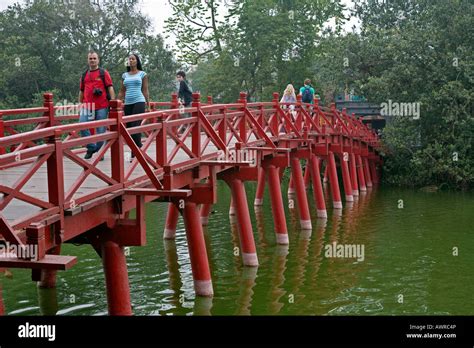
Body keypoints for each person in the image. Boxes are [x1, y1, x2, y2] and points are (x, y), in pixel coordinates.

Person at [79, 51, 115, 160]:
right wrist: (79, 103)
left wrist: (113, 102)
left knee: (101, 131)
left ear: (98, 60)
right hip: (87, 105)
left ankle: (100, 153)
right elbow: (81, 90)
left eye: (94, 58)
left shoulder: (103, 73)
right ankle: (92, 147)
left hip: (102, 106)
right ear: (88, 60)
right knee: (82, 124)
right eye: (90, 58)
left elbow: (110, 87)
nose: (92, 60)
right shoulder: (84, 74)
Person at [117, 53, 149, 152]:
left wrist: (148, 103)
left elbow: (145, 89)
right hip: (128, 103)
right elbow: (122, 91)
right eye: (129, 59)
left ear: (137, 61)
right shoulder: (124, 75)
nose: (131, 60)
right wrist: (117, 102)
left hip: (139, 101)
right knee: (129, 128)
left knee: (135, 126)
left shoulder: (142, 74)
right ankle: (138, 145)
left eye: (133, 59)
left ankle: (134, 151)